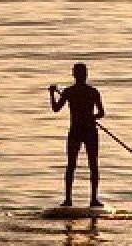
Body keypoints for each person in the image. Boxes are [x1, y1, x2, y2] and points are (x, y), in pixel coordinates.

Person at [49, 62, 105, 207]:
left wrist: (92, 117)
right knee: (71, 165)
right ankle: (68, 199)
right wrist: (51, 94)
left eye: (82, 73)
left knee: (92, 165)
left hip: (89, 131)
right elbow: (56, 109)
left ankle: (93, 199)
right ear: (75, 75)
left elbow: (101, 113)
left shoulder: (91, 92)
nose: (81, 76)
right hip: (76, 131)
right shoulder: (69, 92)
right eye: (79, 73)